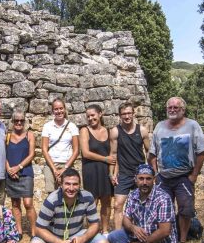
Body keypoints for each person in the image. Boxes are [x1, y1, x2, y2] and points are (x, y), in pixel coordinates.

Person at [29, 168, 110, 243]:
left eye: (75, 184)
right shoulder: (51, 200)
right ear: (60, 184)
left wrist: (83, 239)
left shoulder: (87, 197)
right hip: (54, 237)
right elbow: (38, 228)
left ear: (80, 185)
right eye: (67, 184)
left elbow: (95, 224)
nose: (71, 188)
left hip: (76, 236)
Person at [149, 97, 204, 243]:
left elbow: (201, 152)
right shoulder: (159, 126)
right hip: (164, 178)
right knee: (162, 209)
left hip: (184, 177)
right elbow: (152, 153)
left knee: (186, 209)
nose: (172, 110)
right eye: (170, 107)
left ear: (183, 110)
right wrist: (155, 174)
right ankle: (165, 237)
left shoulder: (192, 126)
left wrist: (194, 175)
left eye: (176, 107)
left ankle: (182, 241)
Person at [107, 164, 179, 243]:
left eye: (148, 178)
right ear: (135, 179)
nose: (144, 182)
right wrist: (133, 228)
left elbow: (164, 231)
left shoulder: (163, 198)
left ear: (154, 179)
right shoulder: (133, 195)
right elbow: (126, 219)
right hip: (139, 237)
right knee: (113, 237)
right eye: (141, 178)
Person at [109, 102, 150, 231]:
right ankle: (117, 235)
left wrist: (150, 171)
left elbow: (149, 151)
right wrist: (112, 173)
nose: (127, 116)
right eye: (124, 114)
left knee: (144, 204)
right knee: (117, 205)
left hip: (140, 173)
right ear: (120, 116)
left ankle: (144, 230)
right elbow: (113, 154)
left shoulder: (142, 130)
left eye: (129, 113)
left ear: (133, 113)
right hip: (124, 173)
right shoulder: (115, 131)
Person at [79, 104, 115, 233]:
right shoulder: (84, 130)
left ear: (100, 114)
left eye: (93, 115)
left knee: (106, 200)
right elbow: (85, 153)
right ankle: (92, 231)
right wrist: (105, 159)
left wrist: (113, 172)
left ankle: (105, 230)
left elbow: (114, 154)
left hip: (105, 171)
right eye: (88, 116)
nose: (90, 118)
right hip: (90, 170)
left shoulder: (109, 131)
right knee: (91, 201)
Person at [5, 110, 37, 237]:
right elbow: (3, 154)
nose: (19, 123)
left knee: (28, 203)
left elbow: (32, 154)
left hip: (26, 172)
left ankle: (34, 231)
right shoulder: (7, 136)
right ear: (12, 122)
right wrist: (8, 169)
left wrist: (18, 167)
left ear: (24, 122)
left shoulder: (30, 135)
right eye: (16, 120)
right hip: (10, 174)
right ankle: (19, 231)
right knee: (15, 203)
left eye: (21, 120)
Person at [41, 98, 79, 194]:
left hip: (67, 163)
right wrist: (54, 169)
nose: (59, 111)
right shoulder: (47, 126)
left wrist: (64, 168)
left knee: (69, 191)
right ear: (53, 111)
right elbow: (44, 149)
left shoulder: (72, 126)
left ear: (65, 109)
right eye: (56, 109)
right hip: (51, 164)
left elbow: (76, 150)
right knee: (51, 193)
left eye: (61, 108)